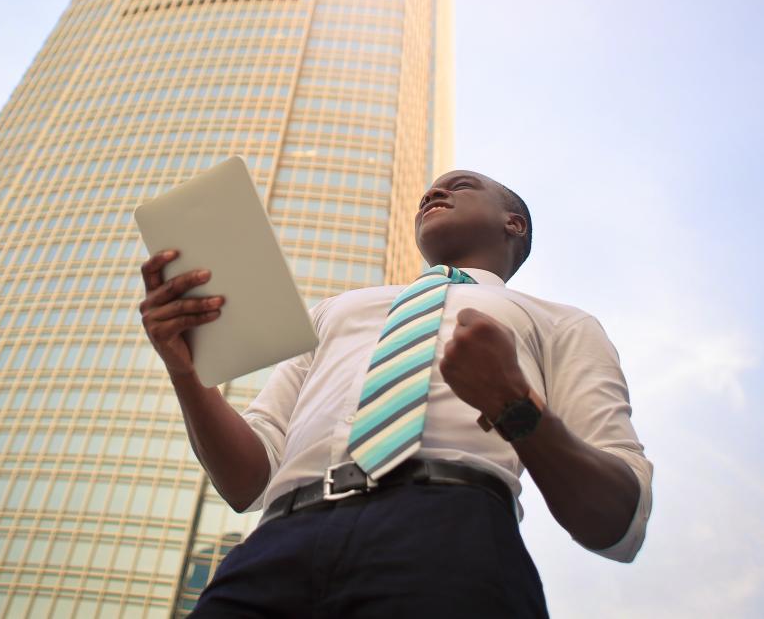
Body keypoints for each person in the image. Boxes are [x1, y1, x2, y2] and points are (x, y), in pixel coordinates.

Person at [139, 169, 653, 617]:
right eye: (428, 191)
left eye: (460, 186)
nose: (433, 193)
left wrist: (515, 406)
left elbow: (617, 519)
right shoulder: (334, 311)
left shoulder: (561, 323)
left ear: (512, 223)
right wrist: (187, 373)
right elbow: (247, 480)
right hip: (275, 546)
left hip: (452, 537)